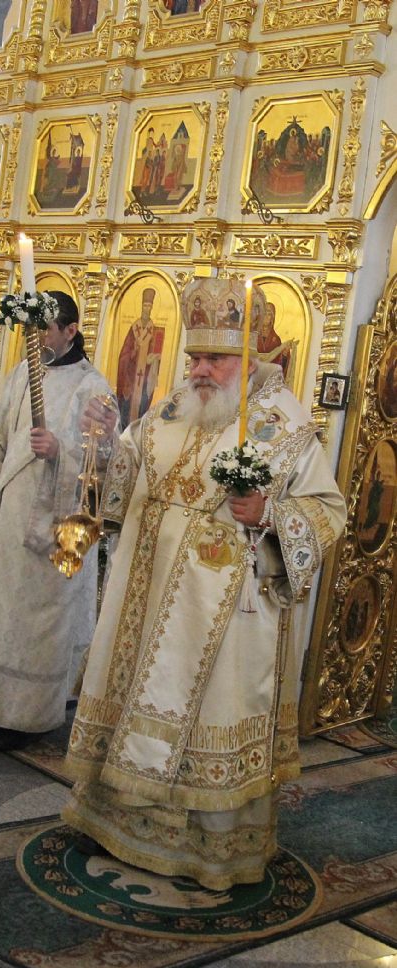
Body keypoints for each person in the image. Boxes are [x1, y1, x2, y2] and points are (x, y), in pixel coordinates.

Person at [61, 276, 347, 891]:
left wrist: (270, 514)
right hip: (145, 594)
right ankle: (111, 820)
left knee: (208, 711)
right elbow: (122, 480)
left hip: (225, 610)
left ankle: (208, 847)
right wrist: (102, 441)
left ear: (248, 356)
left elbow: (328, 511)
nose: (199, 371)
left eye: (215, 358)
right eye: (194, 357)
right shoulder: (171, 408)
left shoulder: (286, 425)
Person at [0, 291, 116, 750]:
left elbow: (106, 465)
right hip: (9, 514)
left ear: (71, 331)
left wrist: (62, 452)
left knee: (43, 620)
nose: (37, 337)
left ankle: (25, 718)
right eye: (33, 328)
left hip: (62, 527)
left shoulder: (94, 387)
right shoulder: (23, 373)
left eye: (46, 328)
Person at [116, 288, 165, 427]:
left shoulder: (155, 332)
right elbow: (123, 356)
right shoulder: (134, 329)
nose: (147, 309)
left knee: (141, 415)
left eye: (149, 306)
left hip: (144, 382)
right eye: (145, 306)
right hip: (130, 381)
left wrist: (153, 360)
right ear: (141, 306)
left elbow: (158, 357)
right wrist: (133, 352)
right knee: (124, 415)